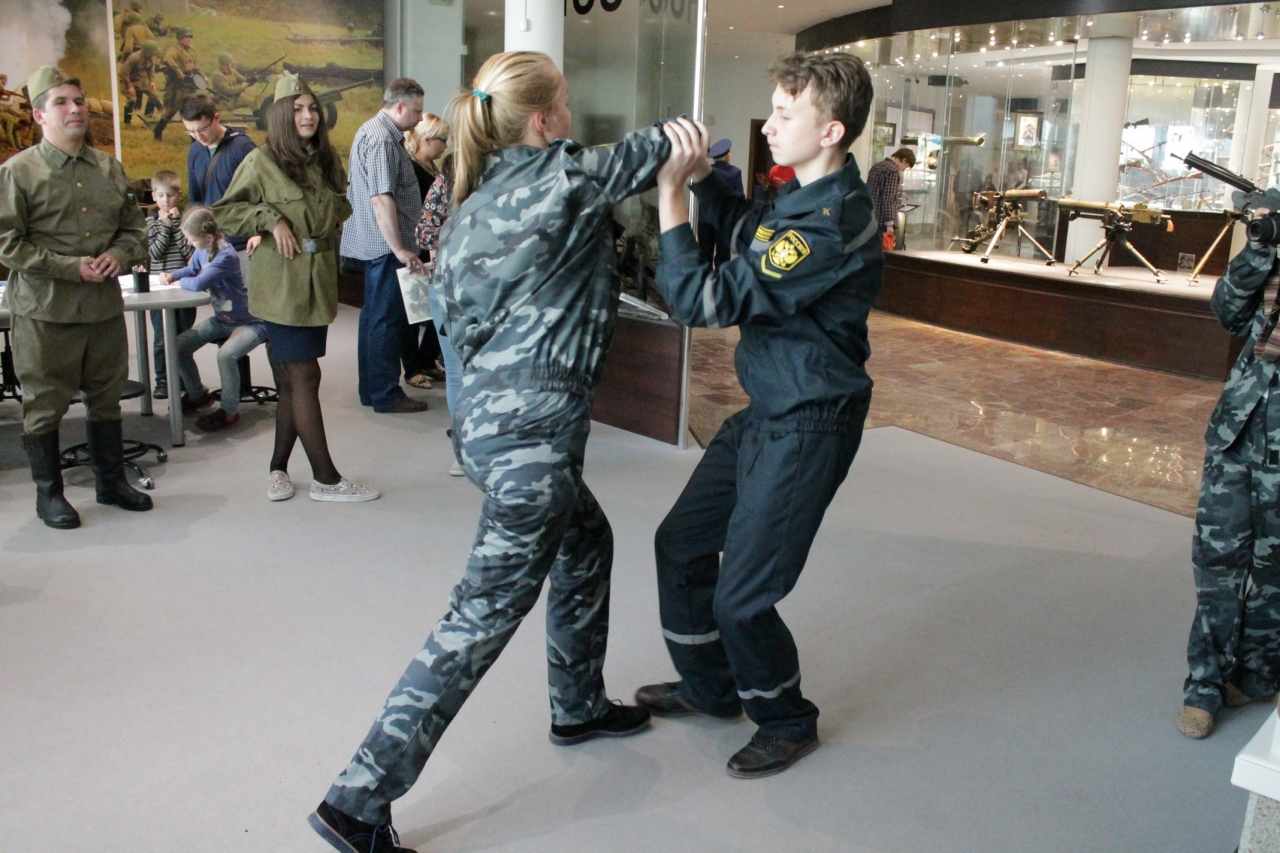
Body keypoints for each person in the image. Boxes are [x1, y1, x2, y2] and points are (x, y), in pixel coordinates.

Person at [309, 51, 670, 852]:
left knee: (587, 540)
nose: (570, 114)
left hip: (485, 432)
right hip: (532, 447)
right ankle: (356, 799)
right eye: (564, 102)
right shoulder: (563, 177)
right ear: (542, 119)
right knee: (478, 614)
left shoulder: (472, 201)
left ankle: (577, 703)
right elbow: (669, 144)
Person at [636, 50, 882, 779]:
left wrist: (670, 197)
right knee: (681, 543)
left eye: (783, 113)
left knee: (742, 598)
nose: (768, 125)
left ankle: (786, 718)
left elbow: (702, 301)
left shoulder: (829, 223)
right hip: (769, 408)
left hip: (809, 421)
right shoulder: (803, 196)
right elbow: (752, 232)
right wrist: (705, 180)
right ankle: (712, 688)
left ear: (831, 130)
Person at [215, 73, 379, 503]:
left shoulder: (323, 158)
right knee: (304, 374)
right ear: (280, 117)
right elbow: (227, 212)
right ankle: (326, 478)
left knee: (291, 378)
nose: (307, 116)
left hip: (317, 278)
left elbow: (341, 201)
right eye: (297, 110)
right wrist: (271, 220)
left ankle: (277, 468)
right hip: (282, 281)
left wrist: (327, 218)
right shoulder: (261, 160)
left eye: (311, 108)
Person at [0, 66, 152, 529]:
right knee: (44, 405)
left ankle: (111, 482)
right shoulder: (18, 172)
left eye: (79, 101)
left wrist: (118, 255)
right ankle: (49, 495)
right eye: (62, 102)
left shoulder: (108, 168)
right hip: (46, 313)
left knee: (106, 399)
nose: (76, 109)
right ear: (38, 115)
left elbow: (134, 230)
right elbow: (7, 244)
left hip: (102, 310)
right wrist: (70, 267)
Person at [1177, 240, 1280, 739]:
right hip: (1237, 434)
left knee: (1275, 573)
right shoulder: (1273, 258)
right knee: (1217, 565)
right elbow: (1229, 313)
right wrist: (1259, 249)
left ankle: (1255, 675)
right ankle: (1204, 687)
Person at [341, 77, 430, 414]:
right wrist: (400, 249)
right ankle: (385, 393)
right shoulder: (382, 139)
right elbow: (381, 198)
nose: (419, 119)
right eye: (417, 112)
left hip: (377, 245)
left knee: (374, 317)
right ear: (400, 106)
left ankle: (372, 389)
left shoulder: (373, 131)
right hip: (385, 248)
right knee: (386, 320)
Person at [164, 206, 268, 432]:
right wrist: (171, 275)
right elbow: (191, 270)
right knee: (176, 346)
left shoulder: (225, 255)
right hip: (222, 320)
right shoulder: (203, 250)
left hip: (250, 322)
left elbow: (199, 283)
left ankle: (229, 411)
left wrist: (178, 282)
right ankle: (197, 395)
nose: (189, 243)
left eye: (192, 239)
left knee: (226, 355)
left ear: (208, 237)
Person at [414, 152, 464, 476]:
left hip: (447, 281)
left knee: (458, 369)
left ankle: (464, 452)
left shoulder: (447, 176)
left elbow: (425, 233)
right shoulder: (509, 174)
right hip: (487, 286)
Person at [181, 95, 257, 282]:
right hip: (211, 247)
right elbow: (195, 201)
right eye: (191, 131)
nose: (198, 136)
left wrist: (259, 234)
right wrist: (195, 249)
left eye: (202, 129)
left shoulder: (243, 147)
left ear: (216, 118)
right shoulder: (195, 151)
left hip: (243, 245)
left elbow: (262, 194)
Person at [400, 112, 449, 390]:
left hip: (435, 247)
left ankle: (427, 359)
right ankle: (411, 368)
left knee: (435, 310)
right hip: (417, 245)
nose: (446, 146)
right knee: (413, 310)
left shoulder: (433, 168)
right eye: (443, 140)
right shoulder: (412, 169)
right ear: (428, 140)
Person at [146, 170, 195, 399]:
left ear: (179, 195)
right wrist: (165, 226)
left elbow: (188, 251)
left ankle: (183, 378)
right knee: (160, 338)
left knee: (183, 337)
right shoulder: (150, 223)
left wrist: (176, 225)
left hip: (182, 286)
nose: (166, 200)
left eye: (171, 195)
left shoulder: (187, 222)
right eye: (161, 195)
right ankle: (163, 380)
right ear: (154, 196)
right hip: (159, 290)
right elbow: (155, 253)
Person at [697, 138, 743, 270]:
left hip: (704, 218)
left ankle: (704, 280)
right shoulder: (735, 172)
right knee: (723, 256)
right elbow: (739, 197)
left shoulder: (705, 171)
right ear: (727, 155)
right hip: (724, 220)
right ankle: (720, 280)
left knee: (705, 254)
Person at [154, 27, 200, 141]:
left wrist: (203, 76)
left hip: (190, 85)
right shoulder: (174, 49)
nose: (188, 39)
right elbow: (168, 59)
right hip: (178, 86)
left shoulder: (191, 50)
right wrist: (179, 72)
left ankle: (194, 139)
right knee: (171, 110)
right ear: (180, 38)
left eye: (189, 37)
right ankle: (158, 130)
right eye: (186, 37)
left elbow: (196, 65)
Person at [866, 146, 915, 250]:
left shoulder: (877, 166)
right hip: (881, 220)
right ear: (904, 160)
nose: (903, 170)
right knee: (883, 253)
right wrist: (889, 223)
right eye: (905, 167)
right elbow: (888, 199)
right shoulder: (892, 171)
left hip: (869, 217)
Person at [118, 40, 162, 126]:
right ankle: (127, 122)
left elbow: (151, 70)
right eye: (151, 53)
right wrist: (129, 87)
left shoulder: (151, 58)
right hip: (128, 80)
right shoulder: (134, 58)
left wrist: (152, 81)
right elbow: (123, 73)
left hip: (141, 80)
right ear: (145, 52)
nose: (153, 55)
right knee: (132, 100)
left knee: (153, 95)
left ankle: (148, 118)